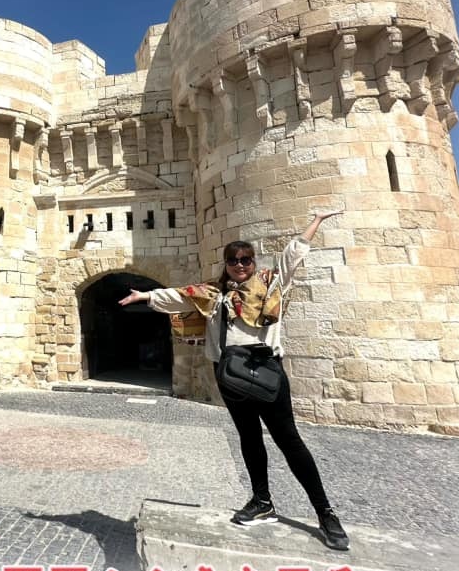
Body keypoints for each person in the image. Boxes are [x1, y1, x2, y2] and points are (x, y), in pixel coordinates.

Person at [118, 211, 350, 551]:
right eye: (233, 260)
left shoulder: (271, 284)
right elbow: (180, 296)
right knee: (249, 438)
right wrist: (146, 297)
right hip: (230, 374)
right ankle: (262, 501)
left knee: (289, 441)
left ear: (253, 262)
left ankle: (325, 513)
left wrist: (314, 222)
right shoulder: (213, 294)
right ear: (226, 264)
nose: (240, 265)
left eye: (245, 260)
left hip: (266, 371)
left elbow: (293, 255)